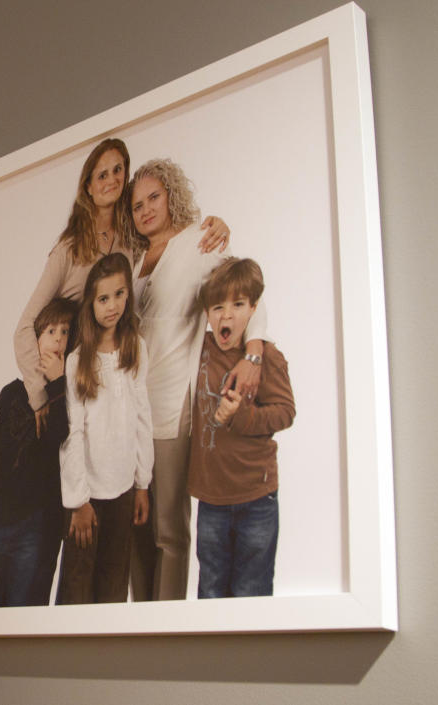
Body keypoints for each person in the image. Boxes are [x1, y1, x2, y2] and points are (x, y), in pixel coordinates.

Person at [13, 139, 229, 601]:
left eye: (119, 173)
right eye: (101, 173)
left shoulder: (140, 247)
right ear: (87, 186)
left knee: (135, 530)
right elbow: (26, 328)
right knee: (70, 535)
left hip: (135, 393)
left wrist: (215, 225)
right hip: (72, 389)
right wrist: (41, 395)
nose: (111, 182)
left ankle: (144, 622)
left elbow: (228, 282)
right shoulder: (71, 249)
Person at [127, 158, 268, 601]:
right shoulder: (131, 262)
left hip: (172, 407)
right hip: (130, 411)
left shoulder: (196, 244)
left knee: (168, 527)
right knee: (135, 526)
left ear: (171, 195)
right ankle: (139, 626)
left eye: (154, 197)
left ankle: (165, 628)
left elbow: (248, 289)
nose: (146, 209)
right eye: (136, 205)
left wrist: (254, 350)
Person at [188, 258, 295, 597]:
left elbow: (285, 412)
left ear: (253, 310)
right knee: (211, 590)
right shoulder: (199, 349)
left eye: (238, 305)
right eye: (217, 307)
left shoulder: (267, 358)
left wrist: (242, 417)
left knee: (252, 591)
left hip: (257, 498)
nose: (227, 316)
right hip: (211, 500)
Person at [56, 253, 153, 604]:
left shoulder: (136, 349)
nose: (112, 305)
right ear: (91, 303)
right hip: (88, 496)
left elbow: (143, 418)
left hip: (124, 491)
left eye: (119, 294)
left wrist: (143, 484)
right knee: (77, 586)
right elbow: (72, 434)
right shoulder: (77, 361)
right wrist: (79, 501)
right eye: (103, 298)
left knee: (114, 583)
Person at [0, 297, 78, 608]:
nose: (58, 339)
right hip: (0, 519)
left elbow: (60, 435)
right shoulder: (11, 393)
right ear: (36, 338)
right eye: (51, 331)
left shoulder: (67, 392)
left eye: (65, 332)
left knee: (23, 604)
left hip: (37, 524)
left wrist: (59, 382)